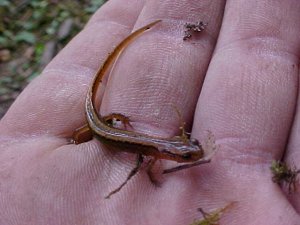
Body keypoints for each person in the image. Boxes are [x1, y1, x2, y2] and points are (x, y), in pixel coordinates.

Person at [1, 1, 300, 224]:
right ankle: (94, 130)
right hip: (98, 126)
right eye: (187, 155)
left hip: (108, 125)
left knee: (108, 122)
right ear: (169, 155)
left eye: (188, 151)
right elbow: (144, 166)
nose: (192, 154)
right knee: (94, 128)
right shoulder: (152, 153)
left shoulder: (154, 149)